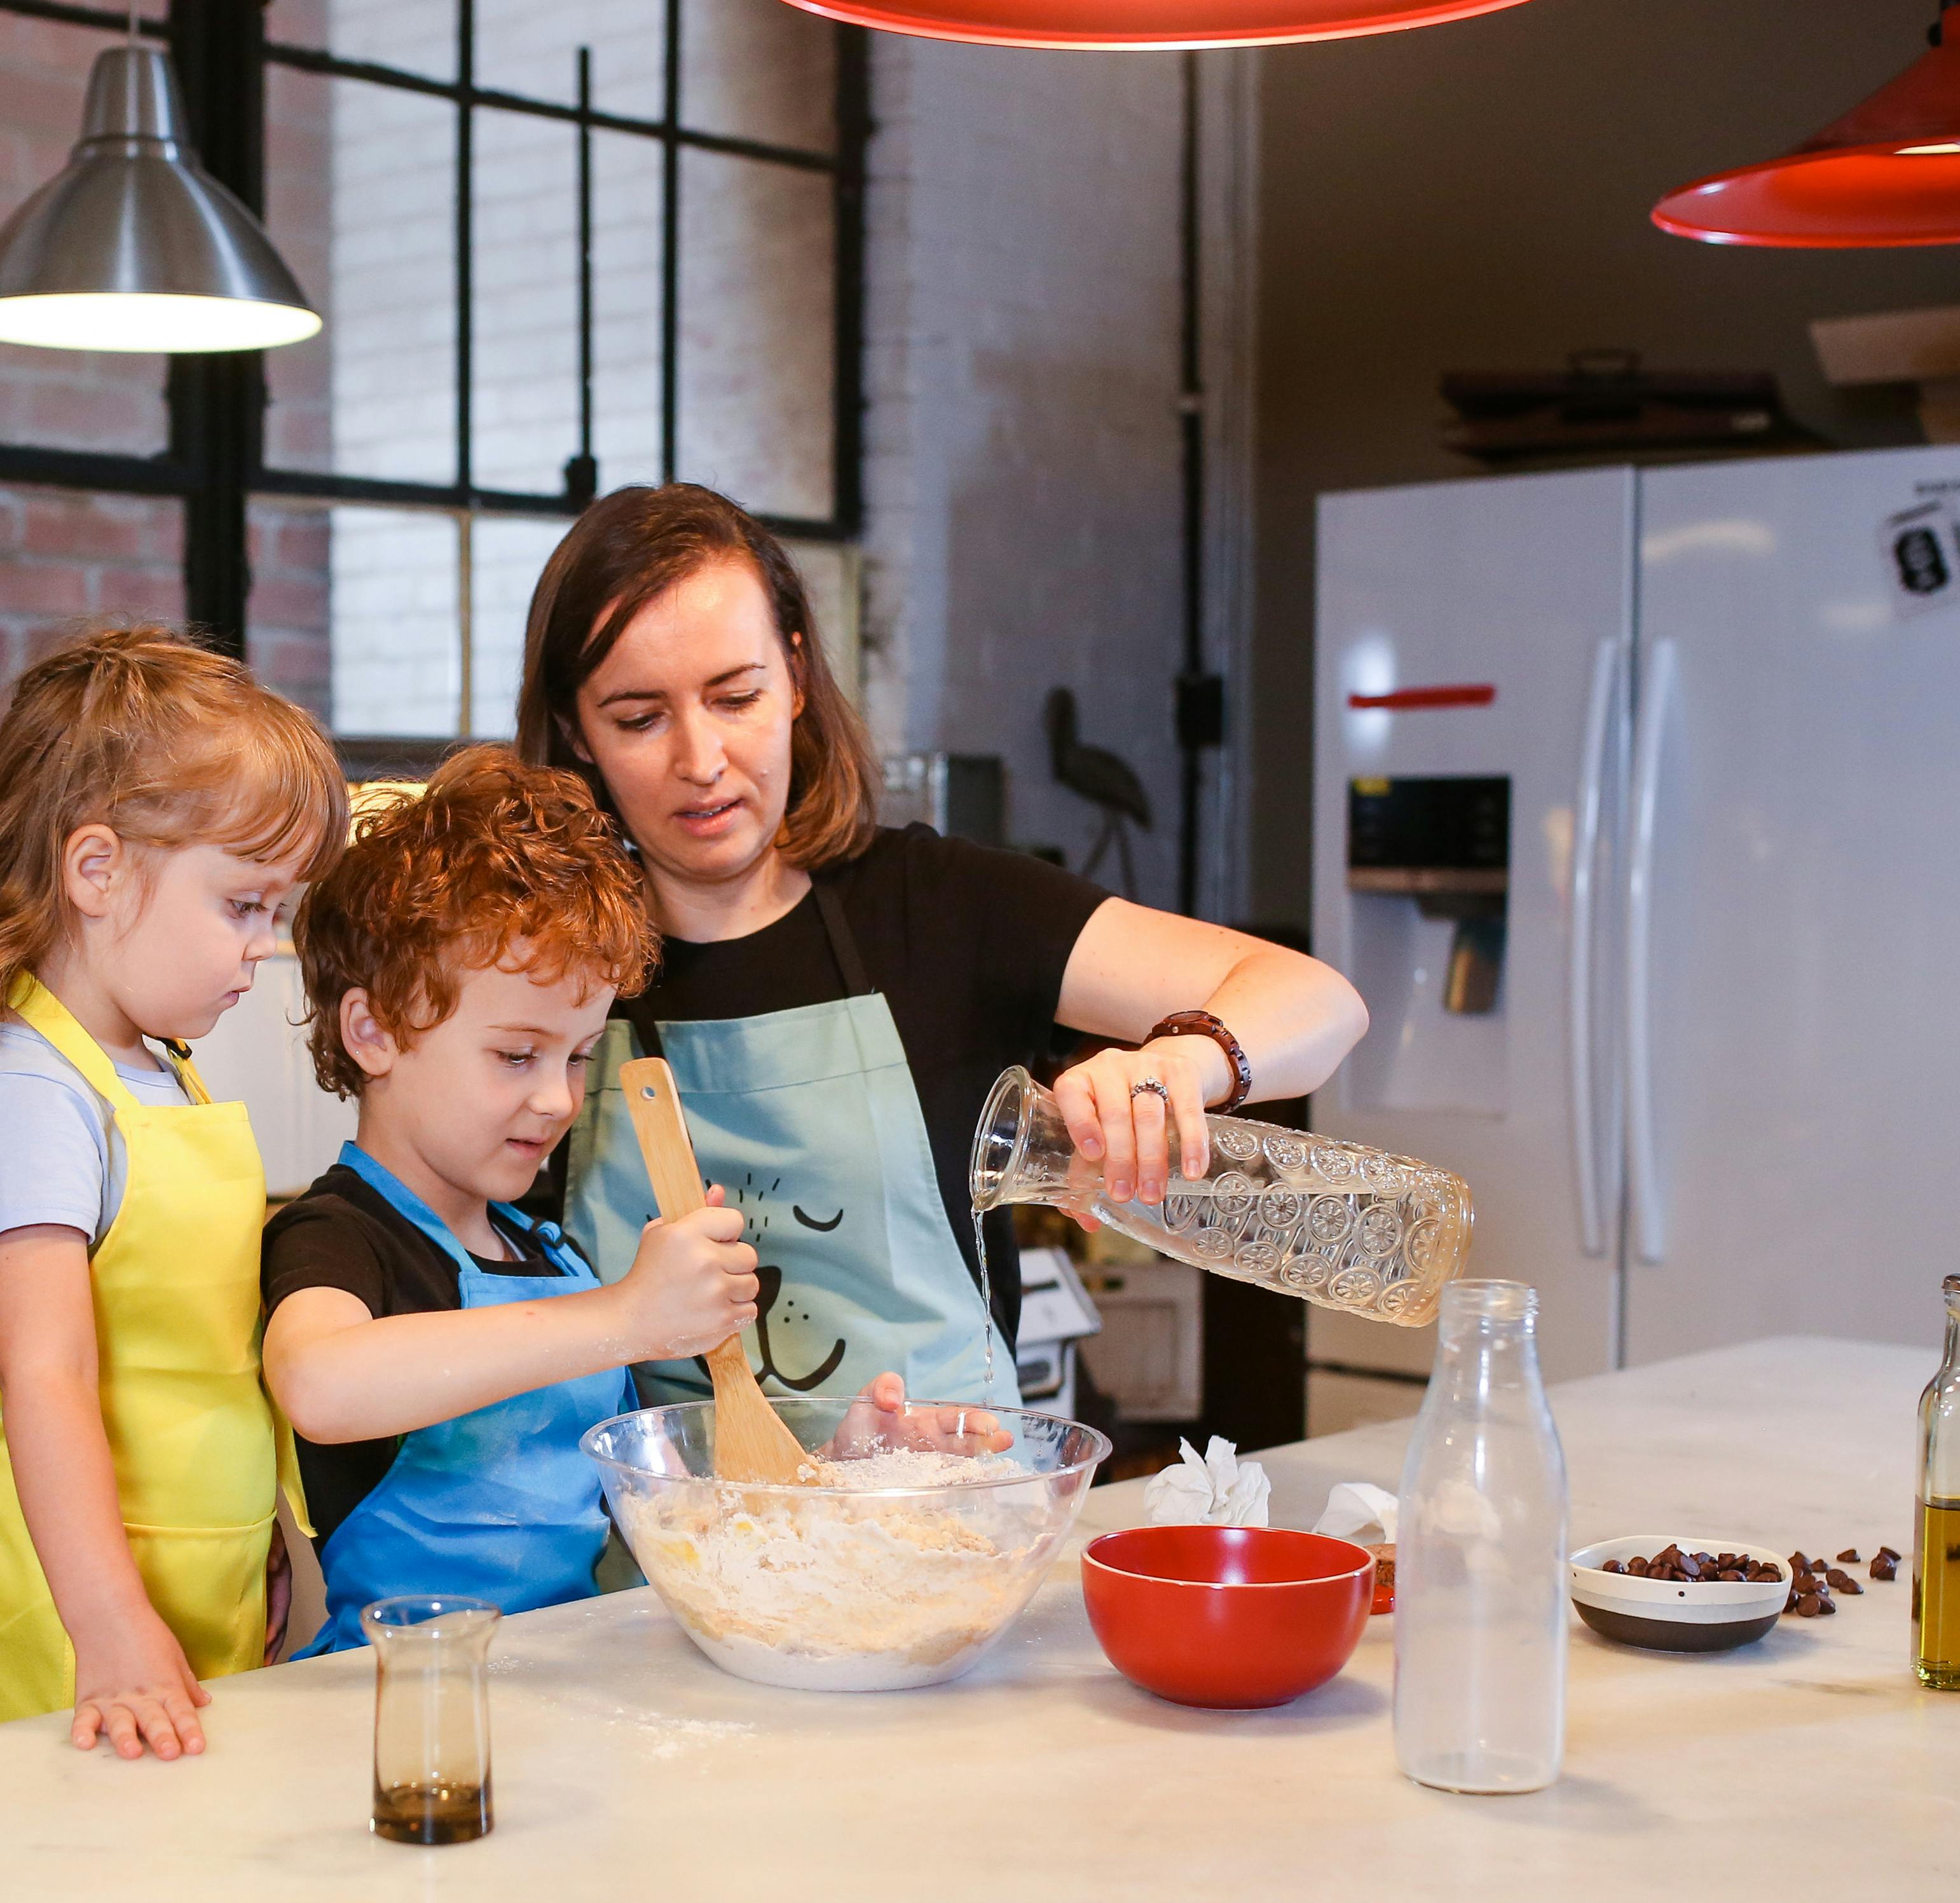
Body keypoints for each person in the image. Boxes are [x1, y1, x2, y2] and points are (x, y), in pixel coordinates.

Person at [517, 484, 1370, 1409]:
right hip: (656, 1538)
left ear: (797, 677)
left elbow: (1320, 1002)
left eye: (735, 697)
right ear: (575, 730)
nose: (700, 759)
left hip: (939, 1524)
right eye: (639, 718)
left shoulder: (942, 908)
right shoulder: (537, 965)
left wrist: (1182, 1060)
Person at [0, 626, 345, 1761]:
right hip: (74, 1627)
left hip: (200, 1589)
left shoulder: (153, 1065)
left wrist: (259, 1533)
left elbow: (205, 1360)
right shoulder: (23, 1088)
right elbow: (49, 1375)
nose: (264, 948)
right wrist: (112, 1622)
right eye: (243, 906)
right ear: (97, 871)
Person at [257, 748, 760, 1653]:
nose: (558, 1100)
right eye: (516, 1055)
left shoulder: (543, 1251)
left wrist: (833, 1457)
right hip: (388, 1705)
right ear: (372, 1031)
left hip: (560, 1688)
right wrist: (625, 1317)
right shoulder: (337, 1234)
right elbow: (321, 1384)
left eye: (577, 1055)